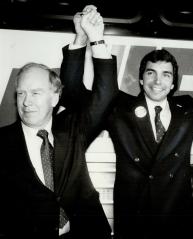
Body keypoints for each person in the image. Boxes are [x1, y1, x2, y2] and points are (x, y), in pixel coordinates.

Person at [60, 21, 193, 238]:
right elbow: (73, 94)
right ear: (140, 78)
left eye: (166, 74)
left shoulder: (188, 111)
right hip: (133, 222)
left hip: (176, 224)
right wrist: (81, 38)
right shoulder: (118, 108)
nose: (158, 81)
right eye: (151, 73)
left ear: (173, 82)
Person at [0, 6, 117, 239]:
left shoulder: (73, 128)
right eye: (21, 93)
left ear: (54, 97)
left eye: (35, 93)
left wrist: (91, 39)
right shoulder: (2, 142)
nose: (26, 102)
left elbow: (105, 95)